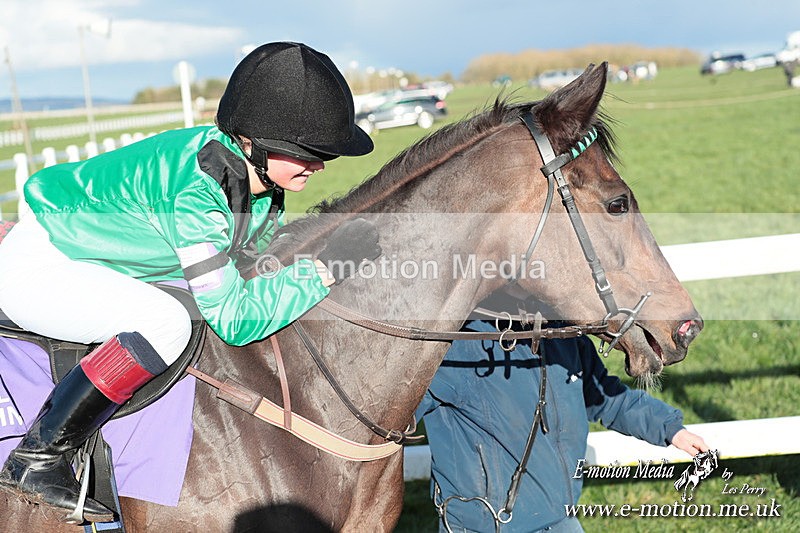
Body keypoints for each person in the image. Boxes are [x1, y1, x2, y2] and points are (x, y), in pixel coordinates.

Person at [0, 42, 380, 523]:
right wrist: (326, 270)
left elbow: (255, 262)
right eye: (307, 152)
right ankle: (38, 457)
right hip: (41, 265)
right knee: (166, 323)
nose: (319, 165)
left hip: (93, 253)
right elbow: (236, 319)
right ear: (253, 143)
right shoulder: (196, 195)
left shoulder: (255, 183)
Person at [416, 294, 709, 533]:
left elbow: (607, 399)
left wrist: (671, 429)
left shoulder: (563, 335)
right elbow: (388, 423)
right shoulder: (454, 347)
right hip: (486, 526)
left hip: (560, 519)